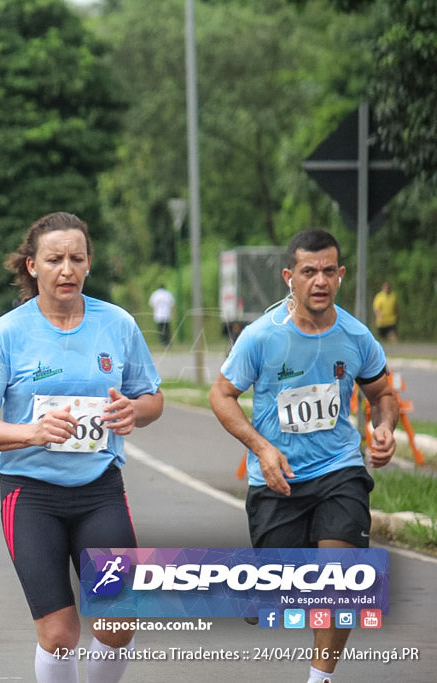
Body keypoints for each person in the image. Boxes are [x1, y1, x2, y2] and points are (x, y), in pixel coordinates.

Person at [0, 212, 164, 683]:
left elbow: (152, 397)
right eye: (54, 259)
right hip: (31, 496)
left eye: (76, 258)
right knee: (60, 632)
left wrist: (137, 412)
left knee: (116, 624)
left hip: (100, 490)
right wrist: (30, 432)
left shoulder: (118, 324)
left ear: (89, 262)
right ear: (32, 266)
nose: (66, 269)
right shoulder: (9, 333)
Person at [209, 229, 398, 683]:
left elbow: (382, 392)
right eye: (309, 271)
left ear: (341, 275)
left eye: (329, 271)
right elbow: (221, 395)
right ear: (289, 277)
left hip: (340, 470)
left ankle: (320, 678)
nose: (320, 281)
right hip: (279, 477)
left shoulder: (355, 334)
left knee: (341, 580)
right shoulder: (262, 336)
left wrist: (384, 426)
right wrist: (262, 447)